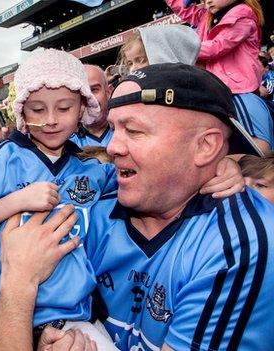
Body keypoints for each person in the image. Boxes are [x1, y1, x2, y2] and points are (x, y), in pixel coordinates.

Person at [0, 50, 241, 349]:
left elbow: (146, 176)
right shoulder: (5, 155)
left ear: (83, 108)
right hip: (4, 307)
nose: (51, 120)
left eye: (64, 108)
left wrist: (223, 164)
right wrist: (17, 200)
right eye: (37, 110)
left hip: (73, 314)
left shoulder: (90, 169)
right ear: (22, 112)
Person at [87, 63, 273, 350]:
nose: (112, 147)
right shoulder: (95, 210)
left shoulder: (241, 242)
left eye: (134, 130)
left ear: (205, 147)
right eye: (113, 128)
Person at [165, 0, 272, 153]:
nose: (206, 1)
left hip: (239, 91)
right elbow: (184, 9)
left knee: (257, 148)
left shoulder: (243, 14)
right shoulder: (206, 16)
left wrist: (179, 50)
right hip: (220, 90)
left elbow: (216, 47)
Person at [70, 64, 114, 148]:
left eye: (93, 90)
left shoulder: (131, 129)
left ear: (108, 92)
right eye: (80, 93)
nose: (88, 98)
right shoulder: (65, 145)